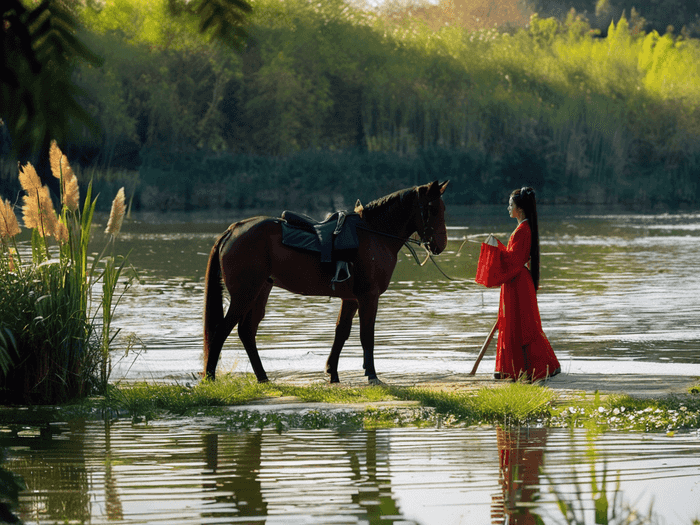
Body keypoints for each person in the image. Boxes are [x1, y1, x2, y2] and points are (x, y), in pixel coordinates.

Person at [475, 187, 560, 381]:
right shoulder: (523, 228)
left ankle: (530, 368)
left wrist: (495, 249)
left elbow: (514, 260)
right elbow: (515, 257)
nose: (508, 208)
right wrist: (498, 248)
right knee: (520, 326)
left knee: (522, 327)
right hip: (517, 281)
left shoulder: (523, 230)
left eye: (510, 205)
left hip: (518, 282)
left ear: (519, 209)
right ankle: (523, 368)